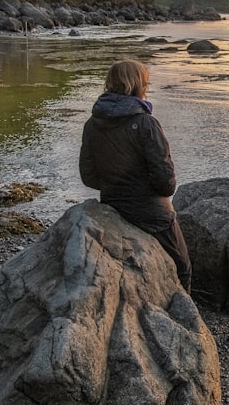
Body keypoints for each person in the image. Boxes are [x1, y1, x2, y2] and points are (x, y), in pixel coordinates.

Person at [79, 59, 192, 292]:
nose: (147, 88)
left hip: (112, 206)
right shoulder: (146, 124)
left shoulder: (92, 124)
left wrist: (115, 186)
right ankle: (184, 316)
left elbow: (88, 176)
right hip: (151, 214)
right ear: (138, 85)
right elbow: (166, 183)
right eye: (146, 83)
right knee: (182, 267)